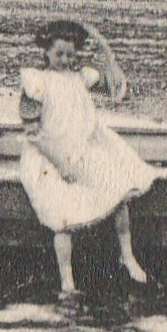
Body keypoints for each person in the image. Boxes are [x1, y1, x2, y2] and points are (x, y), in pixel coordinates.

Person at [18, 19, 154, 293]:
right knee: (62, 213)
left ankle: (127, 256)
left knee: (119, 186)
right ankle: (67, 279)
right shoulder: (36, 82)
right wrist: (59, 164)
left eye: (70, 54)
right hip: (48, 156)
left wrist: (106, 50)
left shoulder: (81, 77)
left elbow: (116, 89)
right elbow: (33, 134)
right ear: (46, 53)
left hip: (81, 149)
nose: (66, 60)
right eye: (59, 54)